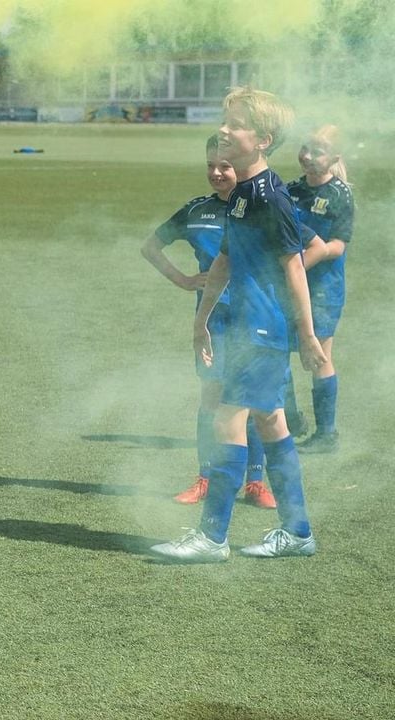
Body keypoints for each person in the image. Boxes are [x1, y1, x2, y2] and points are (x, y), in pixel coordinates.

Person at [151, 87, 325, 563]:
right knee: (270, 421)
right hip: (245, 327)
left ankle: (212, 537)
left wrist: (307, 336)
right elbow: (225, 260)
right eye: (225, 121)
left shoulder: (271, 196)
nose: (225, 130)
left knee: (228, 417)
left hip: (262, 330)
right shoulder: (242, 193)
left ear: (263, 139)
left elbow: (293, 267)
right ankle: (297, 532)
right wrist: (201, 321)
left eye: (237, 123)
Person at [140, 135, 275, 509]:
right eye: (210, 166)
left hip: (256, 320)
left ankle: (256, 482)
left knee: (253, 401)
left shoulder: (264, 207)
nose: (216, 173)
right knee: (212, 398)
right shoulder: (196, 211)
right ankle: (205, 477)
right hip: (212, 323)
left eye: (225, 166)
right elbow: (150, 246)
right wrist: (182, 279)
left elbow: (303, 251)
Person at [285, 125, 354, 454]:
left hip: (323, 288)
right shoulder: (290, 190)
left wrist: (303, 261)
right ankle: (289, 418)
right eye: (305, 148)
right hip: (286, 284)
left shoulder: (339, 195)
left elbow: (339, 246)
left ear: (335, 159)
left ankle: (326, 434)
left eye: (318, 152)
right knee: (275, 350)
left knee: (319, 356)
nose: (308, 157)